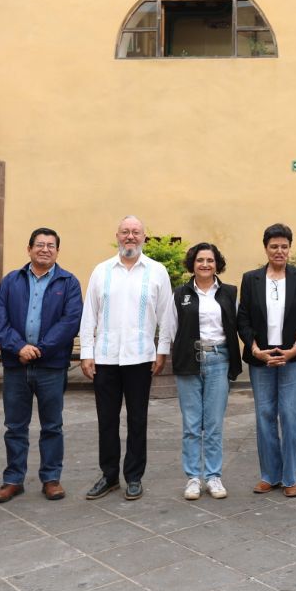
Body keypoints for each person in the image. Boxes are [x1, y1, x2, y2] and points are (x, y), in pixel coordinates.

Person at [79, 215, 174, 502]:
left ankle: (133, 477)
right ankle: (109, 476)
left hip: (140, 357)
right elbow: (89, 314)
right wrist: (87, 352)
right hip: (106, 357)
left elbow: (166, 316)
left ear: (144, 237)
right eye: (125, 232)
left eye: (135, 232)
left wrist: (162, 350)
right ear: (117, 236)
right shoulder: (101, 271)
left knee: (137, 419)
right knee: (106, 420)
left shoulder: (157, 271)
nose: (130, 236)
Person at [0, 227, 83, 503]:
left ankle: (51, 478)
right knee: (14, 426)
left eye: (51, 246)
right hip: (16, 365)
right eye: (39, 245)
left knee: (52, 425)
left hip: (51, 366)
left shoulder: (68, 282)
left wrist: (39, 350)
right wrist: (19, 347)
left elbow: (70, 321)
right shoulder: (11, 281)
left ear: (57, 251)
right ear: (29, 249)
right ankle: (13, 479)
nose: (45, 249)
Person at [156, 242, 242, 501]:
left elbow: (238, 325)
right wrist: (161, 355)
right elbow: (169, 328)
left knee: (213, 424)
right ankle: (193, 477)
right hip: (189, 361)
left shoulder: (229, 293)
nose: (205, 264)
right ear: (192, 264)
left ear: (217, 264)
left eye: (210, 260)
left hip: (219, 359)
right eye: (200, 260)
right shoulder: (180, 294)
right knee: (192, 424)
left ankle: (213, 476)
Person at [237, 223, 296, 498]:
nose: (279, 251)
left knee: (291, 416)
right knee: (265, 415)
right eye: (274, 246)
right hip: (262, 358)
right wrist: (255, 349)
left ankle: (290, 477)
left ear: (289, 248)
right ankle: (270, 475)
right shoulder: (251, 279)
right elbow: (243, 319)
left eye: (284, 246)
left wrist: (295, 348)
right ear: (266, 248)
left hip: (292, 357)